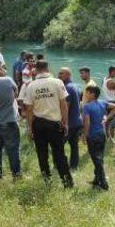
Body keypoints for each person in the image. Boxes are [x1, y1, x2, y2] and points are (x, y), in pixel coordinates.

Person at [23, 60, 73, 188]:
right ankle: (67, 183)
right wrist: (65, 123)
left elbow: (28, 109)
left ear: (36, 69)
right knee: (59, 154)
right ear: (47, 68)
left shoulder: (31, 86)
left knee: (42, 154)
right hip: (54, 124)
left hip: (38, 124)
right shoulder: (57, 82)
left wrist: (29, 127)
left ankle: (47, 182)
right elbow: (63, 105)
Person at [82, 86, 115, 190]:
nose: (86, 94)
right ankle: (96, 180)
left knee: (96, 159)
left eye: (88, 93)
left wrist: (84, 135)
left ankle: (103, 183)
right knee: (100, 157)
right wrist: (107, 118)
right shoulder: (103, 103)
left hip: (93, 135)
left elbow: (87, 123)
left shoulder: (87, 107)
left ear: (93, 94)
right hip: (102, 134)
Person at [58, 67, 82, 171]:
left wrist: (64, 122)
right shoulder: (76, 86)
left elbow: (65, 107)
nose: (59, 75)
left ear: (68, 75)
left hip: (70, 123)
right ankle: (74, 165)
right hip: (77, 121)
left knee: (59, 145)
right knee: (74, 145)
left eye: (61, 74)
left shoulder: (66, 88)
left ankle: (60, 165)